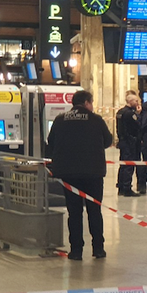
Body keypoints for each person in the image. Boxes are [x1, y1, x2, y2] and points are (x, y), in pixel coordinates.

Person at [47, 90, 113, 261]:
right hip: (93, 173)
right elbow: (108, 141)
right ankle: (98, 248)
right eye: (91, 102)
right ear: (86, 103)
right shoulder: (96, 120)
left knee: (74, 212)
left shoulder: (60, 119)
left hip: (68, 173)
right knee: (94, 210)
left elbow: (51, 142)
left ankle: (76, 250)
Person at [116, 94, 142, 197]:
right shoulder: (130, 113)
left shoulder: (120, 112)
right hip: (130, 142)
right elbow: (138, 124)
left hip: (123, 141)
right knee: (129, 165)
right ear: (130, 101)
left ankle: (121, 186)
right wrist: (138, 114)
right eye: (136, 101)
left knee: (123, 164)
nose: (137, 103)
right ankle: (127, 187)